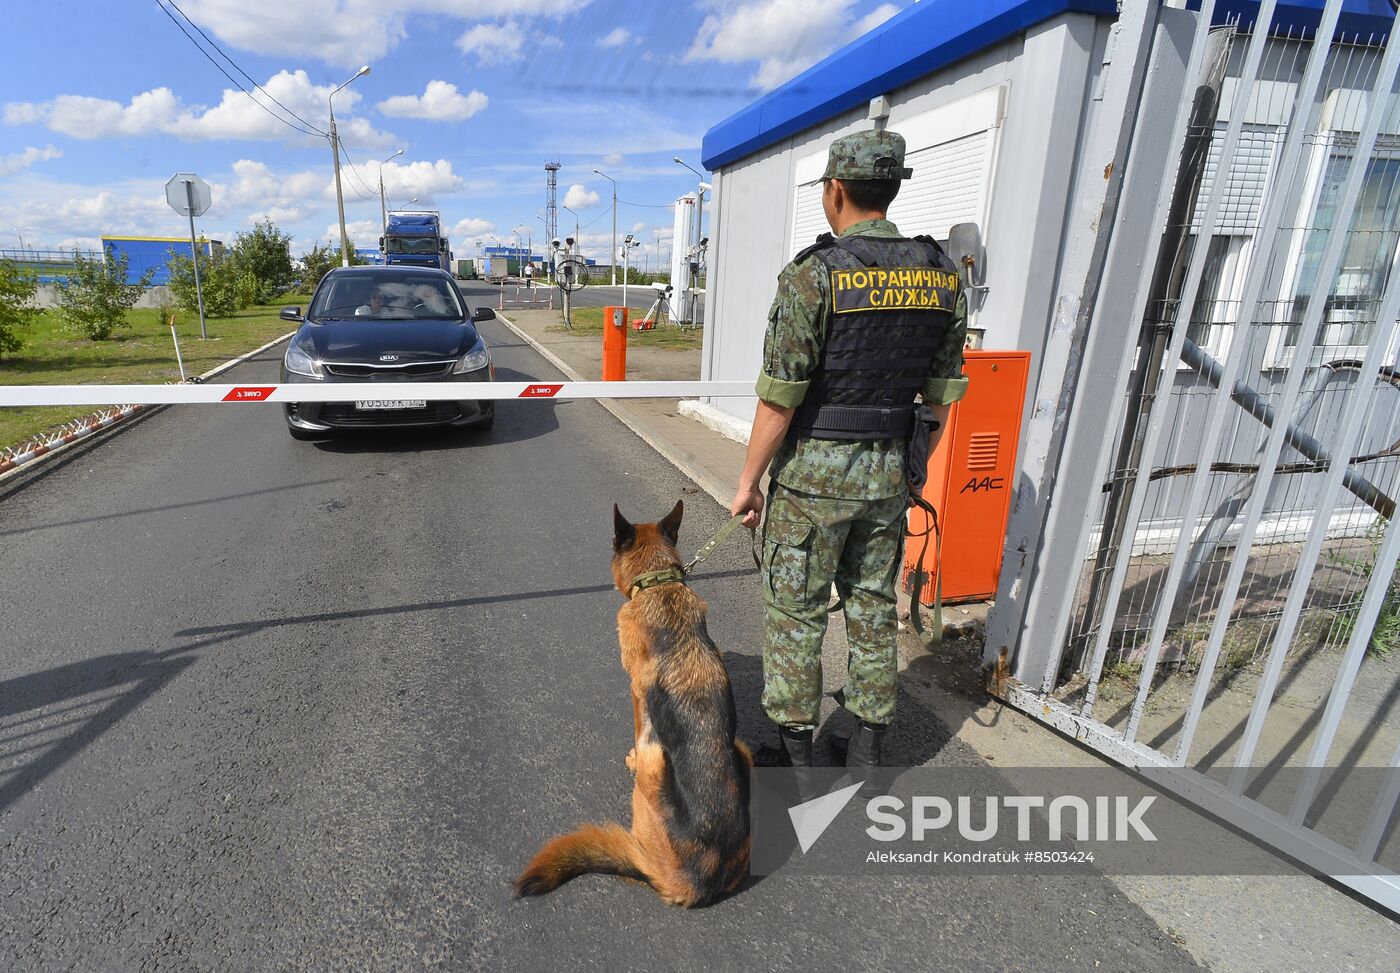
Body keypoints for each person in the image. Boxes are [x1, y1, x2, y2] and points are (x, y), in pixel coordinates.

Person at [729, 129, 968, 772]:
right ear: (890, 190)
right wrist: (913, 463)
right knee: (870, 605)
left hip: (811, 481)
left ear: (835, 190)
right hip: (889, 477)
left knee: (796, 611)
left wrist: (749, 481)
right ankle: (867, 746)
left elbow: (780, 399)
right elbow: (943, 396)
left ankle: (796, 753)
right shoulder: (940, 275)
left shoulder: (815, 276)